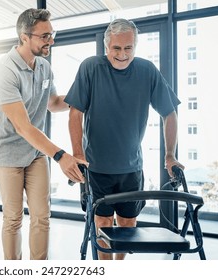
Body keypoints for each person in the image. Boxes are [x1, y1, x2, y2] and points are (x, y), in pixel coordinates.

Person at [64, 18, 184, 260]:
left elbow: (170, 112)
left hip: (131, 167)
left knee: (128, 223)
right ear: (107, 47)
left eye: (128, 48)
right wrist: (77, 153)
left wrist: (170, 155)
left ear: (135, 47)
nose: (122, 54)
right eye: (116, 48)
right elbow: (75, 112)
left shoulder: (147, 70)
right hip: (96, 167)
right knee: (103, 222)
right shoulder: (90, 67)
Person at [0, 8, 87, 260]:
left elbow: (52, 103)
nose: (51, 41)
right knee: (13, 218)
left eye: (51, 35)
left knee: (42, 216)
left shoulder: (43, 67)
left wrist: (82, 98)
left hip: (35, 153)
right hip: (7, 155)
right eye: (44, 36)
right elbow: (23, 127)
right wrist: (61, 155)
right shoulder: (4, 72)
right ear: (24, 37)